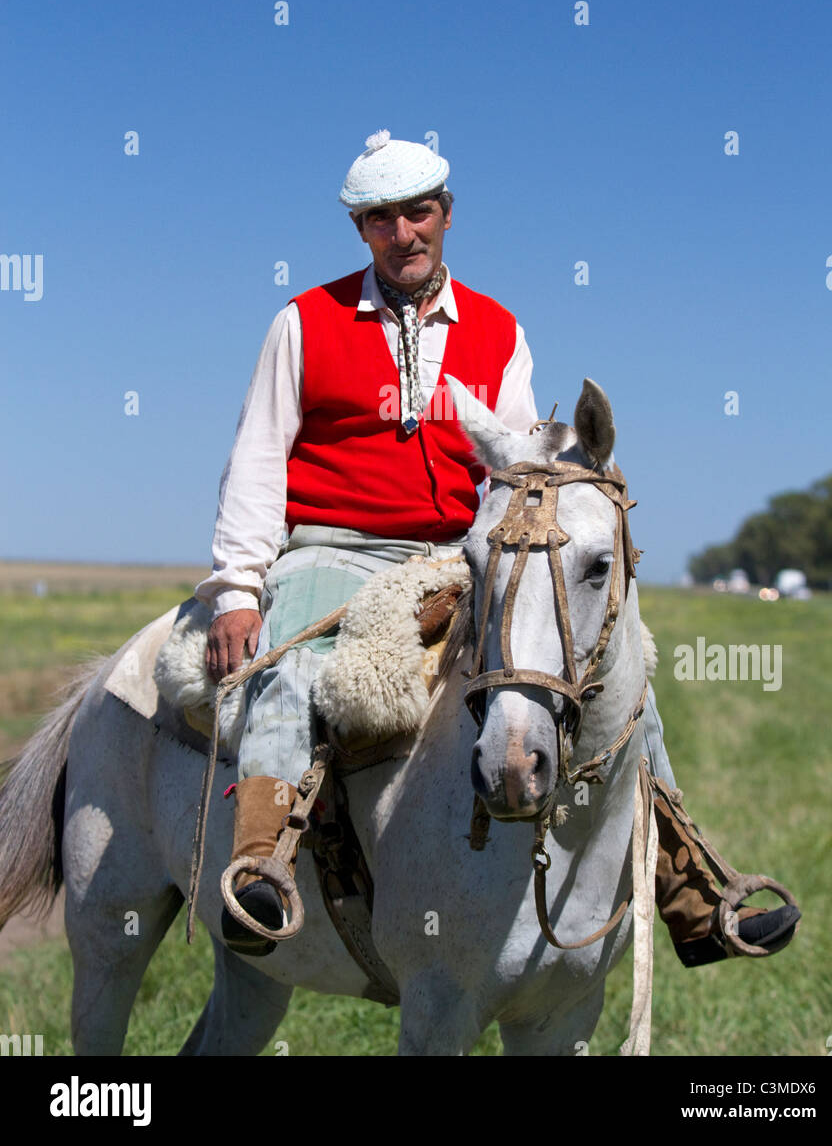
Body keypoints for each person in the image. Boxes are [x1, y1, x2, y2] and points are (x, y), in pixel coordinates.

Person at [196, 130, 800, 962]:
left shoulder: (497, 328)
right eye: (380, 219)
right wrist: (238, 588)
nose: (402, 233)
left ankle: (690, 889)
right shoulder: (303, 322)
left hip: (456, 549)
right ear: (360, 231)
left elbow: (522, 464)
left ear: (445, 215)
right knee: (287, 676)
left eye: (418, 213)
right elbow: (259, 457)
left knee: (620, 671)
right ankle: (262, 872)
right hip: (331, 547)